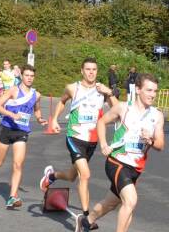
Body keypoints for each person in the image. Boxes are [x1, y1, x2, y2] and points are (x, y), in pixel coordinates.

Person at [73, 73, 165, 232]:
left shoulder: (157, 116)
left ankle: (86, 222)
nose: (153, 95)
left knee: (110, 203)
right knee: (130, 201)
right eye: (149, 90)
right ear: (138, 90)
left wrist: (150, 140)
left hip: (135, 168)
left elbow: (161, 144)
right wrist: (104, 144)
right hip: (116, 162)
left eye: (155, 91)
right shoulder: (123, 108)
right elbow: (101, 122)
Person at [39, 58, 118, 222]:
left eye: (94, 69)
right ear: (82, 71)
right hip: (74, 137)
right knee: (86, 175)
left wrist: (109, 92)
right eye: (88, 69)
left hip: (92, 141)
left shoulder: (102, 90)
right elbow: (61, 101)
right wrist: (54, 119)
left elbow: (118, 109)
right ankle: (86, 216)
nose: (91, 72)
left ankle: (51, 176)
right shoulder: (73, 88)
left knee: (71, 176)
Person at [0, 64, 47, 208]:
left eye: (32, 76)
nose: (29, 78)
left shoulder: (36, 95)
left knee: (18, 164)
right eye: (27, 75)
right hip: (6, 129)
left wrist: (39, 118)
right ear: (22, 76)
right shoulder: (13, 90)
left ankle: (12, 196)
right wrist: (12, 114)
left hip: (22, 132)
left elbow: (36, 110)